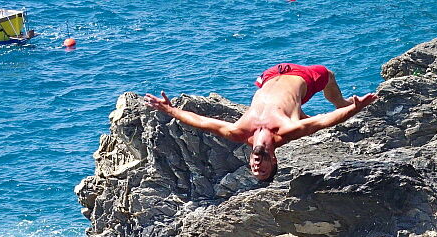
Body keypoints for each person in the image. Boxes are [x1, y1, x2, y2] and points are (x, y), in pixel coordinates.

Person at [144, 64, 377, 183]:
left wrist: (170, 109)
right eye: (263, 169)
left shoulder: (238, 132)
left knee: (293, 108)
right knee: (328, 76)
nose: (257, 166)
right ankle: (341, 101)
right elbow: (322, 121)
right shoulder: (286, 131)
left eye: (254, 169)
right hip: (303, 77)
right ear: (274, 159)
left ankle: (297, 108)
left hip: (269, 75)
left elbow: (203, 122)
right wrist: (352, 108)